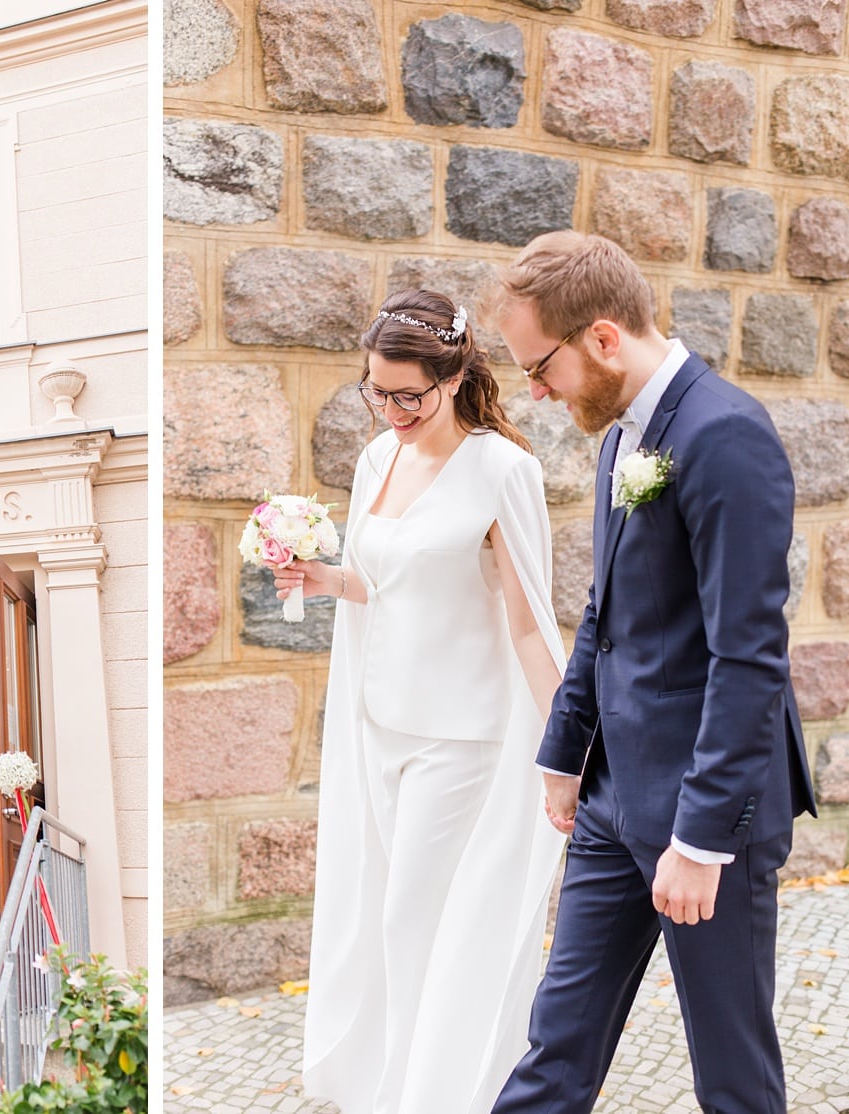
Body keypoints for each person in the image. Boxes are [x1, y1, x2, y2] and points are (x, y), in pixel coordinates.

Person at [485, 231, 816, 1114]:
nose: (535, 390)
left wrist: (703, 842)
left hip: (709, 817)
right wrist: (564, 758)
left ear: (600, 337)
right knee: (556, 1048)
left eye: (539, 366)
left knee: (733, 1078)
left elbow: (748, 658)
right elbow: (606, 614)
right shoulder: (618, 439)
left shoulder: (727, 435)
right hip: (610, 799)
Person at [273, 289, 568, 1113]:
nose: (393, 409)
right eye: (378, 390)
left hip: (460, 739)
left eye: (410, 394)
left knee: (414, 919)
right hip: (380, 725)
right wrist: (322, 578)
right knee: (381, 916)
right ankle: (404, 1082)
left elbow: (529, 623)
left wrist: (565, 749)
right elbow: (393, 582)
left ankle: (429, 1094)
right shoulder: (378, 460)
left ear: (455, 375)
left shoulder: (503, 469)